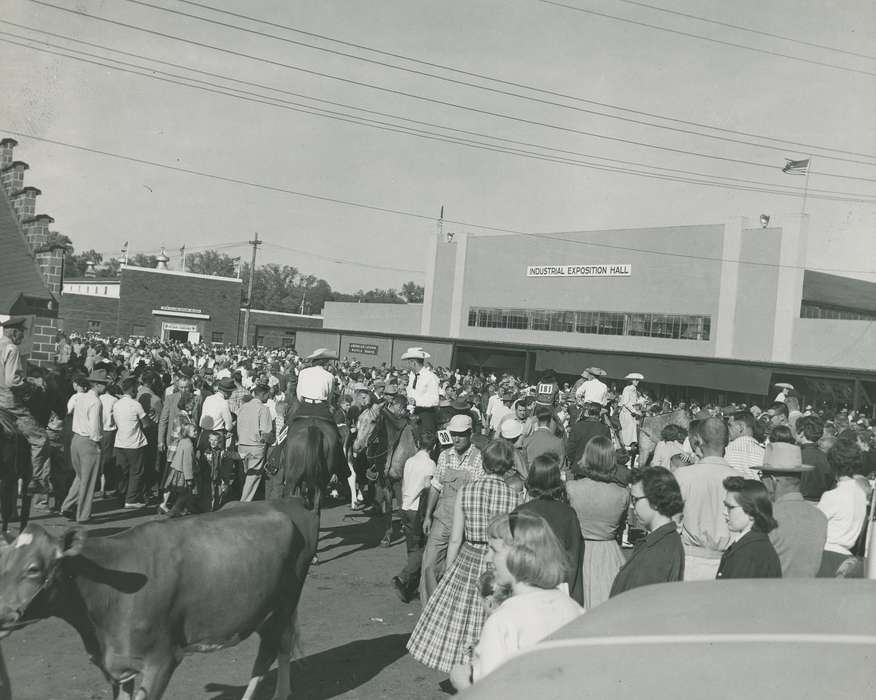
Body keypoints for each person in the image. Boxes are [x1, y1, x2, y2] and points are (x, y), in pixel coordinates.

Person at [407, 440, 522, 674]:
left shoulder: (467, 491)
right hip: (498, 560)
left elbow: (455, 539)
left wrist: (450, 570)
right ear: (508, 465)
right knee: (493, 616)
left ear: (485, 463)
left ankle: (466, 667)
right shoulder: (516, 497)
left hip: (469, 556)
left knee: (463, 618)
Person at [448, 510, 584, 690]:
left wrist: (464, 685)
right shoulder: (572, 607)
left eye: (494, 550)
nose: (487, 558)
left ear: (519, 555)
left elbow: (492, 693)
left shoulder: (502, 621)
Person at [419, 414, 484, 606]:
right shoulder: (444, 456)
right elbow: (436, 486)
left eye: (461, 435)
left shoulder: (479, 459)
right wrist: (428, 516)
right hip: (442, 519)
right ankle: (430, 608)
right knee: (429, 564)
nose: (456, 439)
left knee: (457, 568)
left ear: (470, 434)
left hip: (466, 522)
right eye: (453, 434)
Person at [565, 435, 629, 609]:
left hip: (579, 551)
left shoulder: (571, 489)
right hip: (609, 552)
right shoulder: (622, 493)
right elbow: (621, 527)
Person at [514, 453, 583, 605]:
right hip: (557, 588)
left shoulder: (520, 512)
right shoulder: (567, 514)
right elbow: (574, 558)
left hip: (525, 586)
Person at [674, 417, 738, 580]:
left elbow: (673, 523)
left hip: (689, 562)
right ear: (727, 441)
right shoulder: (742, 479)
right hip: (730, 563)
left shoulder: (682, 476)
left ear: (699, 441)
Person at [610, 467, 684, 597]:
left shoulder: (658, 550)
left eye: (635, 499)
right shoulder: (664, 541)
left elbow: (638, 604)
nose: (632, 506)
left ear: (655, 500)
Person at [760, 443, 827, 578]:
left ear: (772, 481)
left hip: (773, 593)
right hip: (808, 593)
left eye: (762, 476)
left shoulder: (767, 516)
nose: (760, 481)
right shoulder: (820, 517)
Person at [0, 317, 49, 497]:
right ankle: (36, 479)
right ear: (14, 332)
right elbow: (12, 380)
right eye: (22, 332)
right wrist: (31, 386)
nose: (23, 336)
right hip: (8, 402)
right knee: (41, 438)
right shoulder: (11, 348)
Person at [392, 430, 437, 604]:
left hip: (404, 506)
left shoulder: (410, 461)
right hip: (417, 509)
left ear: (418, 445)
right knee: (423, 548)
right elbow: (428, 488)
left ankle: (409, 586)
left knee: (411, 546)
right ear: (433, 447)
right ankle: (404, 577)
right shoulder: (431, 465)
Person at [816, 439, 868, 577]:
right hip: (848, 557)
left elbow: (814, 527)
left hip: (826, 556)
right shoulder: (861, 494)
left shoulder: (832, 496)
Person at [60, 369, 106, 523]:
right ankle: (83, 515)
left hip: (76, 439)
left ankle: (67, 505)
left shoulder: (80, 398)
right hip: (88, 442)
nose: (105, 386)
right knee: (89, 480)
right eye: (103, 384)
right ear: (97, 385)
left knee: (80, 477)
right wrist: (97, 442)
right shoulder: (96, 401)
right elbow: (94, 427)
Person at [717, 477, 782, 579]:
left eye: (730, 507)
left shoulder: (748, 554)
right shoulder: (754, 546)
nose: (724, 512)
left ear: (751, 512)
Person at [112, 377, 150, 508]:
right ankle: (131, 499)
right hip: (134, 443)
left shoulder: (116, 404)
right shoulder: (136, 404)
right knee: (136, 471)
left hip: (120, 442)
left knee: (122, 471)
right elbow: (146, 424)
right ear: (133, 390)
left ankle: (121, 496)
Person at [237, 384, 275, 502]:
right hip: (256, 446)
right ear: (263, 394)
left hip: (242, 444)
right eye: (268, 394)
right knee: (253, 477)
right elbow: (266, 432)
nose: (269, 397)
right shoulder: (263, 409)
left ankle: (241, 498)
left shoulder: (243, 407)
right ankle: (244, 503)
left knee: (244, 475)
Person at [795, 414, 835, 502]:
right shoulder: (826, 458)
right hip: (821, 503)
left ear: (801, 433)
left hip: (799, 502)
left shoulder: (795, 456)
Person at [402, 348, 440, 436]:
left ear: (414, 363)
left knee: (426, 439)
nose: (408, 365)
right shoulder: (412, 375)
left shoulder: (431, 377)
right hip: (410, 412)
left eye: (409, 363)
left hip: (425, 414)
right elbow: (411, 391)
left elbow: (435, 400)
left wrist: (416, 402)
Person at [566, 402, 610, 468]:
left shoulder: (578, 426)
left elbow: (570, 448)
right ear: (599, 414)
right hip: (596, 467)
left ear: (588, 413)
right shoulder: (604, 429)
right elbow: (607, 450)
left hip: (579, 465)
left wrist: (574, 461)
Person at [724, 411, 764, 479]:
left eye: (730, 425)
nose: (727, 429)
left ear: (741, 427)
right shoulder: (764, 453)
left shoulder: (724, 451)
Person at [618, 372, 643, 450]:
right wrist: (634, 411)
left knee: (634, 428)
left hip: (632, 413)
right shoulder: (627, 388)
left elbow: (634, 402)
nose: (637, 382)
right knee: (629, 429)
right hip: (626, 413)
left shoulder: (634, 389)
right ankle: (626, 446)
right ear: (631, 380)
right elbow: (625, 402)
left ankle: (632, 446)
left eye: (638, 380)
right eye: (635, 380)